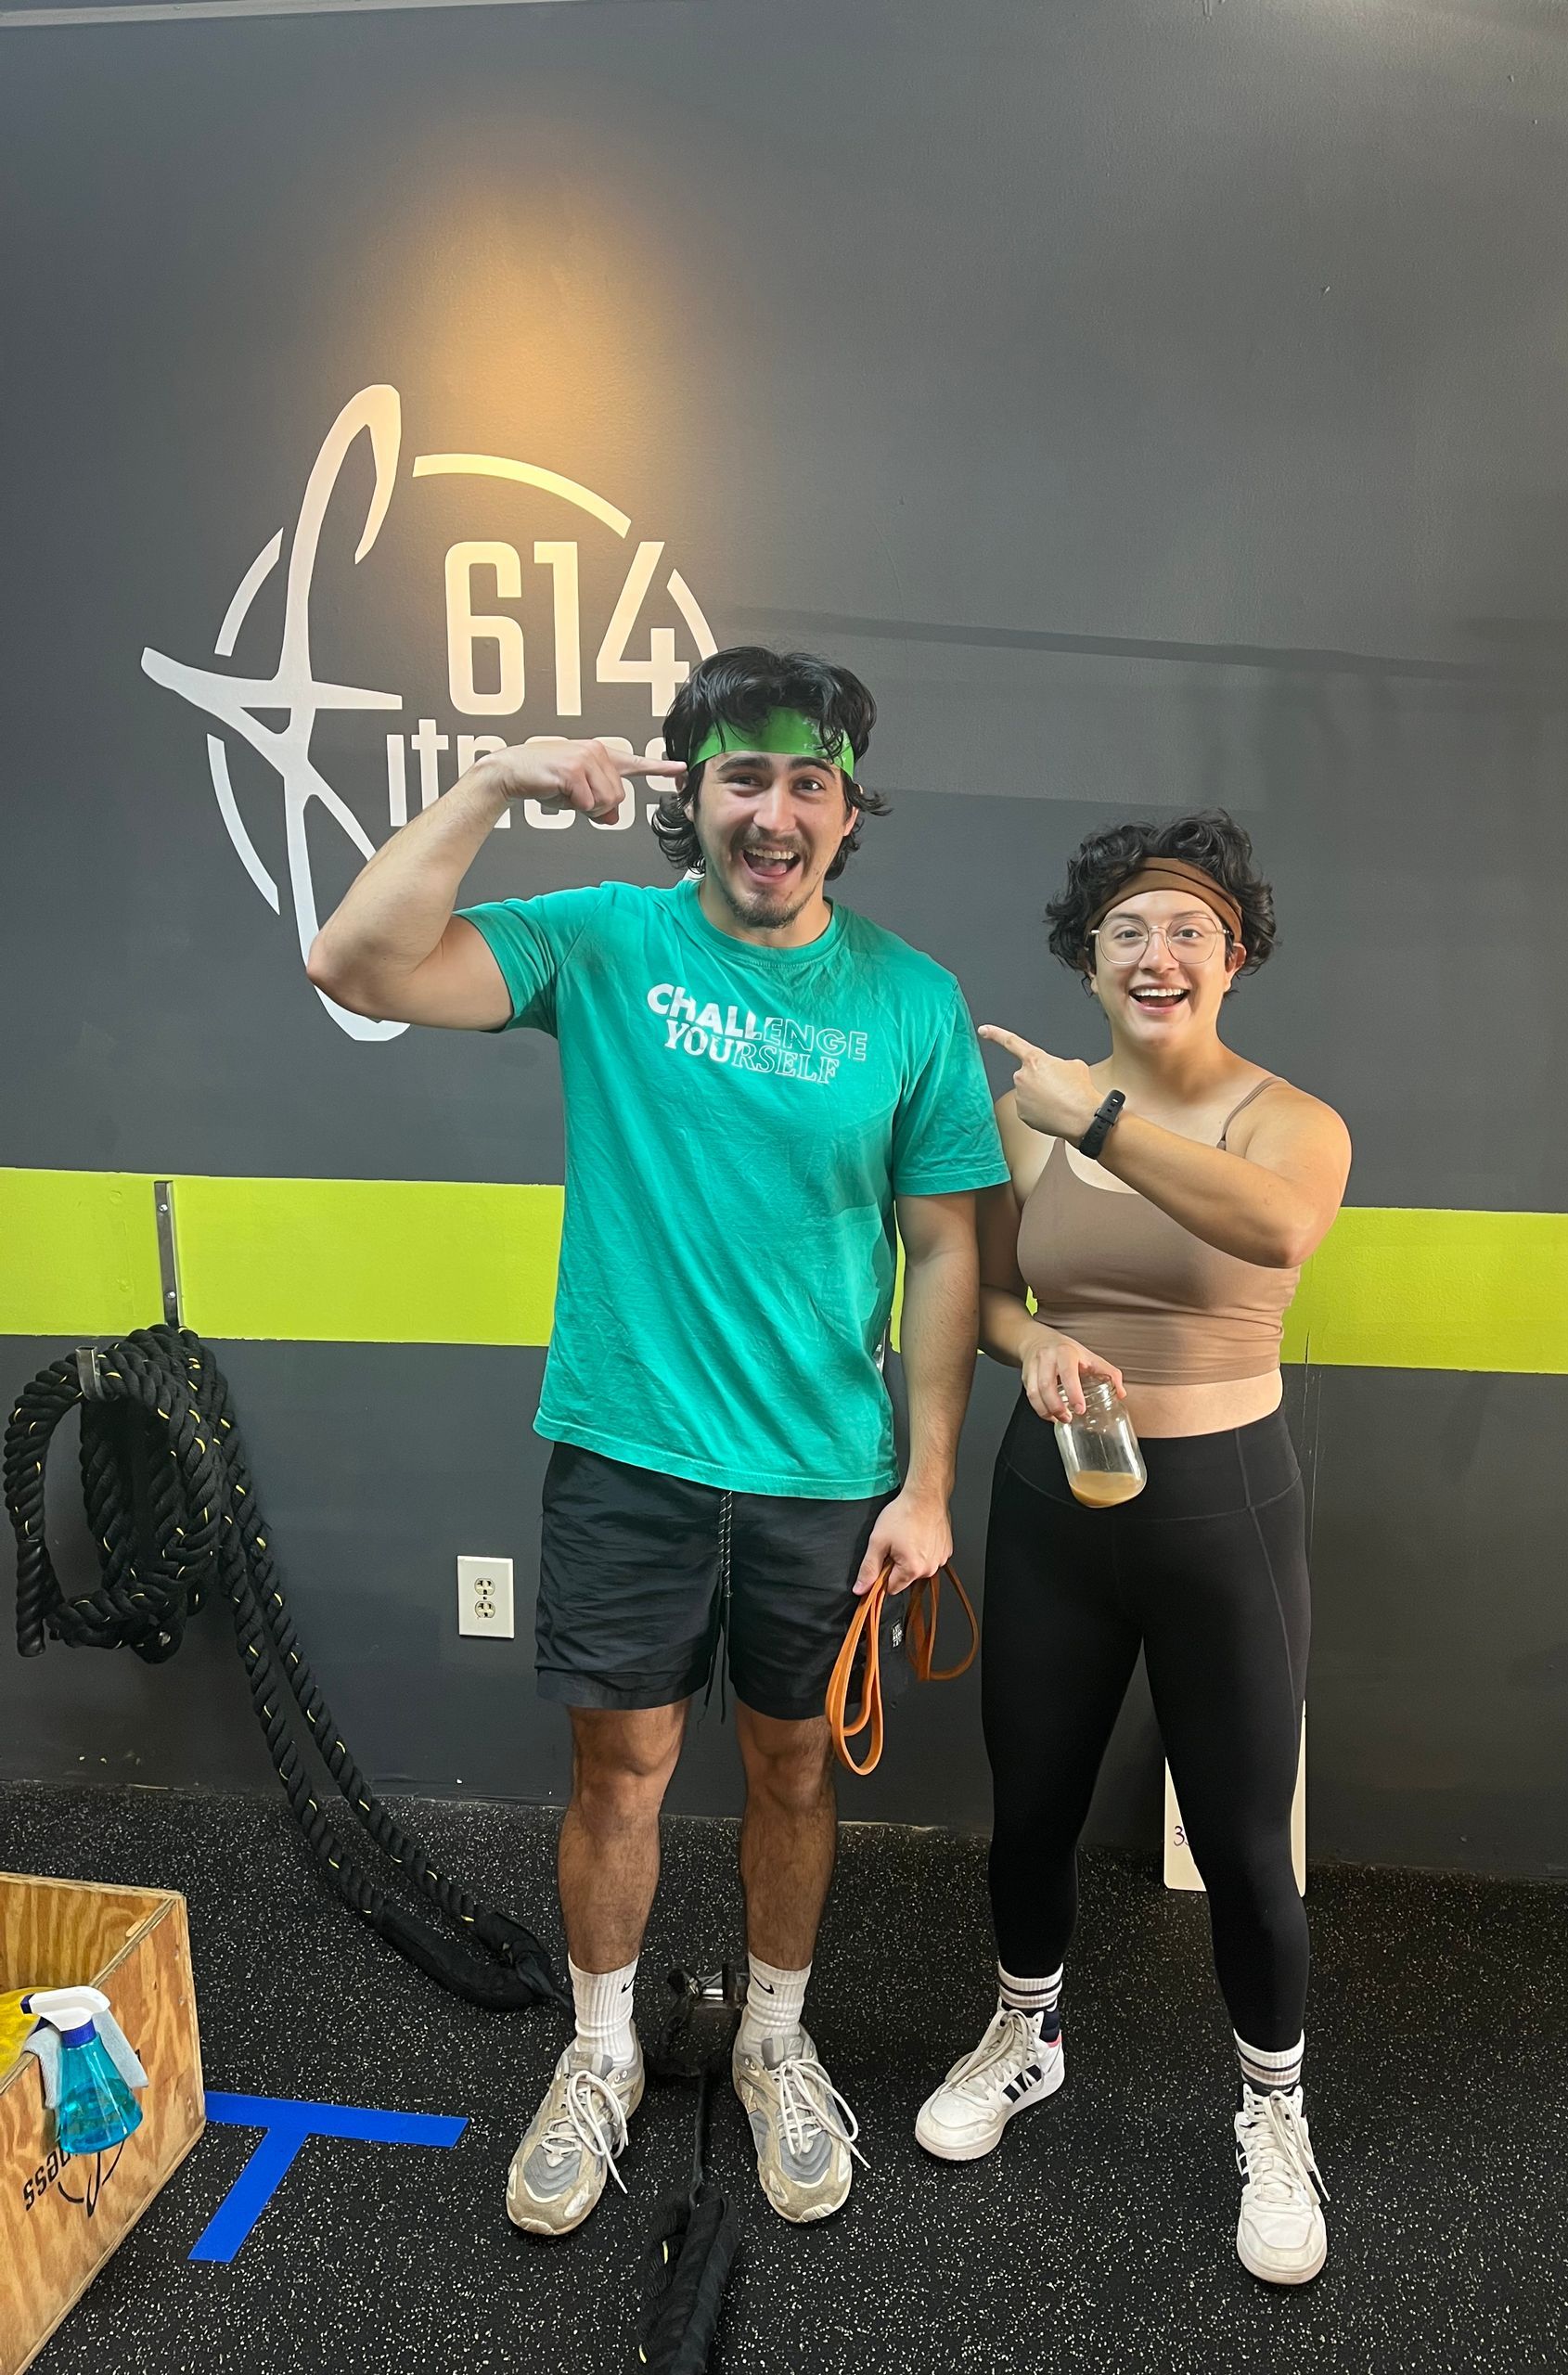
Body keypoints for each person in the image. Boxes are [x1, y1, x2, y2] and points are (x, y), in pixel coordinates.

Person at [306, 648, 1006, 2234]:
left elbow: (950, 1247)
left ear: (845, 813)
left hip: (824, 1474)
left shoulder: (909, 998)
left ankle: (771, 2043)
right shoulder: (606, 941)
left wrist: (931, 1479)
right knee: (619, 1774)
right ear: (688, 795)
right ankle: (604, 2053)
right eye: (741, 778)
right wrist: (492, 784)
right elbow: (353, 962)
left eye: (806, 783)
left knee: (794, 1769)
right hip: (630, 1452)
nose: (773, 812)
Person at [913, 815, 1351, 2286]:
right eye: (1128, 934)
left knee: (1240, 1841)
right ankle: (1024, 2036)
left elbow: (1277, 1233)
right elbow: (974, 1291)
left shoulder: (1289, 1118)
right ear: (1089, 959)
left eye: (1187, 933)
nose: (1157, 957)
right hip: (1056, 1488)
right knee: (1028, 1805)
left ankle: (1275, 2114)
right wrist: (1032, 1346)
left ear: (1233, 957)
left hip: (1221, 1499)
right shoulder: (1031, 1106)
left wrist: (1095, 1118)